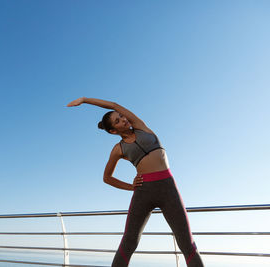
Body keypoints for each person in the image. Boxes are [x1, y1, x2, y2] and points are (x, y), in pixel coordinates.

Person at [67, 97, 204, 267]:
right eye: (118, 121)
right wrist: (131, 187)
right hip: (144, 192)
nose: (123, 120)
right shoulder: (119, 149)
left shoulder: (140, 126)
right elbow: (107, 178)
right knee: (129, 242)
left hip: (168, 188)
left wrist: (85, 100)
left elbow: (114, 105)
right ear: (113, 131)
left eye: (121, 116)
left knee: (186, 242)